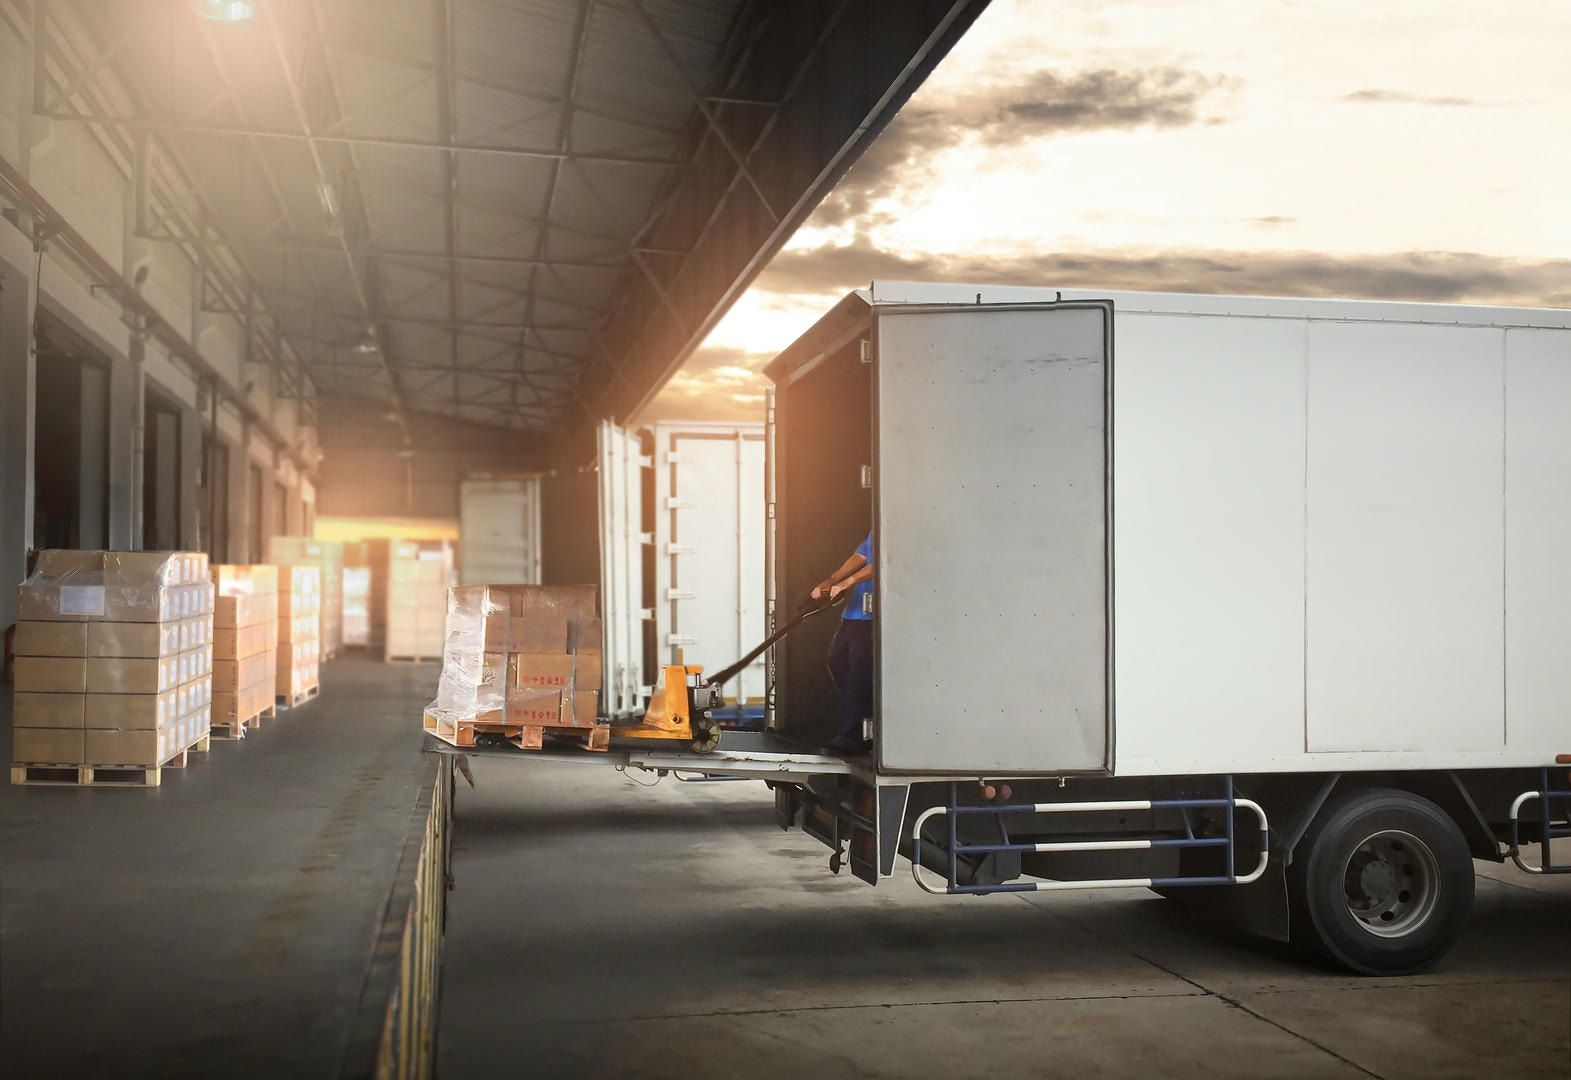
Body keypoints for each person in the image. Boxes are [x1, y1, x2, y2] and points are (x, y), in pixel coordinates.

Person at [811, 531, 874, 754]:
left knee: (858, 675)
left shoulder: (897, 527)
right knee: (836, 660)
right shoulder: (876, 530)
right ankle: (865, 714)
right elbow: (860, 557)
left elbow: (884, 563)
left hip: (872, 616)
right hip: (854, 613)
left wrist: (849, 581)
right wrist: (831, 580)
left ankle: (851, 737)